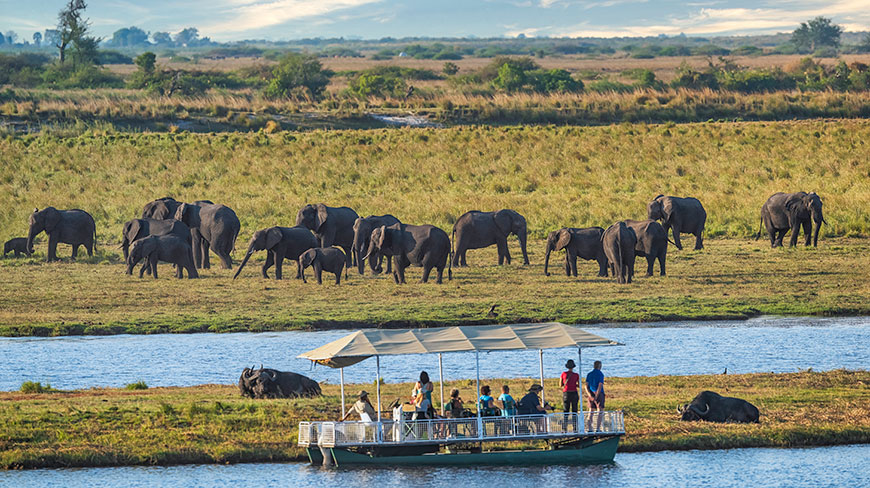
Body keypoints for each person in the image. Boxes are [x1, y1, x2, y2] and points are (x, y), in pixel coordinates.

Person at [585, 360, 605, 431]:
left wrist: (589, 394)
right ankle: (598, 428)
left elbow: (586, 386)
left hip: (590, 393)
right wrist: (596, 395)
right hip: (599, 394)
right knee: (600, 411)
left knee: (591, 411)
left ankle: (590, 428)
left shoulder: (589, 374)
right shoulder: (600, 374)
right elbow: (600, 385)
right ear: (600, 366)